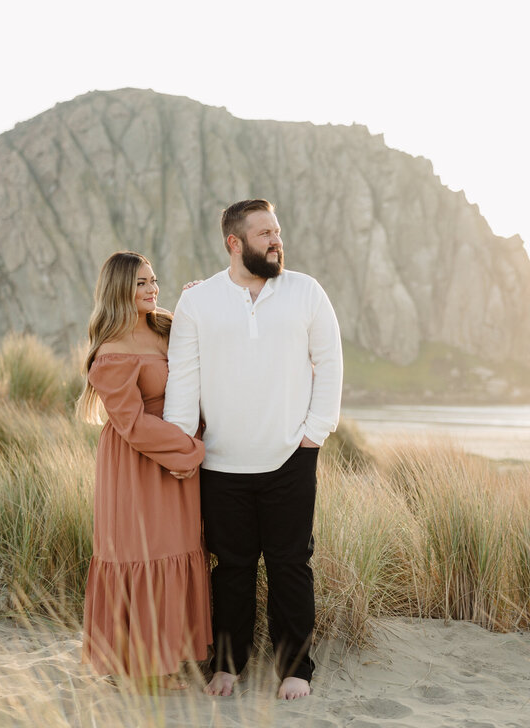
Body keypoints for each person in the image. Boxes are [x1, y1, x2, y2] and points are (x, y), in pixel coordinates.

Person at [163, 199, 343, 700]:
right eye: (264, 233)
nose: (276, 240)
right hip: (221, 463)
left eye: (278, 230)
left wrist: (314, 434)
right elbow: (183, 380)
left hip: (291, 457)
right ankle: (227, 664)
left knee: (290, 565)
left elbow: (329, 363)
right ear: (234, 243)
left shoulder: (306, 292)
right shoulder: (198, 303)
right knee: (232, 568)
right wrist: (181, 449)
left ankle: (295, 668)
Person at [79, 251, 211, 691]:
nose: (152, 289)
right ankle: (143, 668)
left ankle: (170, 657)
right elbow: (132, 425)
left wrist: (200, 300)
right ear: (119, 290)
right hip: (138, 463)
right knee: (144, 554)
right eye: (140, 283)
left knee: (178, 548)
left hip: (176, 455)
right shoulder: (112, 353)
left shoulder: (166, 326)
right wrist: (189, 452)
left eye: (154, 280)